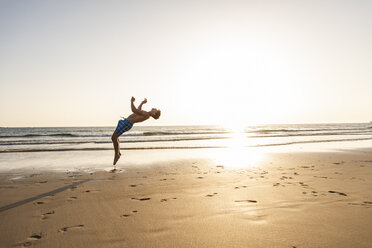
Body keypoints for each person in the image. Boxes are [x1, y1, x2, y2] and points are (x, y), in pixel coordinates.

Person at [111, 97, 161, 165]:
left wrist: (131, 101)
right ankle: (118, 153)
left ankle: (117, 155)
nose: (154, 108)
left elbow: (134, 110)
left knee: (114, 137)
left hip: (127, 123)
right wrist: (142, 103)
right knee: (115, 137)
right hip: (126, 122)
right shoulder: (146, 113)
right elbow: (138, 110)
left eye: (155, 110)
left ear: (154, 114)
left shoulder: (146, 115)